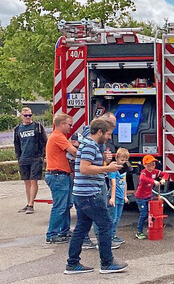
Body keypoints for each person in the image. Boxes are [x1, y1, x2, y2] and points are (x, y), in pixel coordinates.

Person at [64, 118, 126, 274]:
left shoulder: (88, 144)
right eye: (108, 134)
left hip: (82, 193)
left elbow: (87, 166)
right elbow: (85, 169)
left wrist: (104, 162)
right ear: (99, 131)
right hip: (90, 194)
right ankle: (107, 263)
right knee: (105, 225)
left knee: (81, 228)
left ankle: (72, 264)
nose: (109, 137)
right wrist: (108, 169)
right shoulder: (90, 146)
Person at [45, 112, 78, 244]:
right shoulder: (58, 136)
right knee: (60, 206)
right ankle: (52, 234)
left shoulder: (58, 136)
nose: (71, 127)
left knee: (66, 205)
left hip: (60, 175)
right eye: (69, 125)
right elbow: (74, 152)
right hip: (58, 175)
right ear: (62, 124)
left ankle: (64, 231)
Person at [14, 107, 48, 214]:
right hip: (24, 158)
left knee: (34, 180)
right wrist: (18, 157)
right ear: (21, 117)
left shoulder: (37, 127)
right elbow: (17, 144)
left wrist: (43, 155)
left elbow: (44, 141)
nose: (28, 117)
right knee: (27, 182)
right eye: (26, 115)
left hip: (36, 158)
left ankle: (31, 204)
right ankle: (28, 201)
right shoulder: (18, 129)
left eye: (30, 115)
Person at [134, 155, 165, 240]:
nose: (151, 167)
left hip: (149, 196)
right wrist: (154, 181)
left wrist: (163, 179)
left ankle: (150, 229)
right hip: (140, 197)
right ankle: (139, 232)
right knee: (143, 214)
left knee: (151, 214)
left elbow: (165, 174)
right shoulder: (143, 172)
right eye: (149, 165)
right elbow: (143, 178)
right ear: (144, 165)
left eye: (153, 165)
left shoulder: (155, 172)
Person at [108, 148, 130, 245]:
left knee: (118, 217)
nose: (123, 163)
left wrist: (125, 195)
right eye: (121, 160)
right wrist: (112, 197)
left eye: (125, 160)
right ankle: (109, 236)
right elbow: (113, 184)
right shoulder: (113, 170)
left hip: (121, 196)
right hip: (115, 196)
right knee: (113, 217)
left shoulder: (123, 170)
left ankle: (113, 235)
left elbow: (124, 183)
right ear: (116, 158)